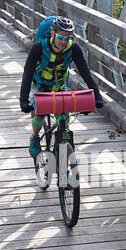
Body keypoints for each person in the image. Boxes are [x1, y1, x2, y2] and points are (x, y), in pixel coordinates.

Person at [18, 15, 103, 157]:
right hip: (41, 86)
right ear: (52, 33)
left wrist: (97, 97)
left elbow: (85, 73)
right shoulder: (38, 48)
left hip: (59, 86)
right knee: (39, 116)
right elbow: (27, 74)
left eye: (67, 38)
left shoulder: (73, 49)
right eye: (61, 37)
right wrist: (23, 100)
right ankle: (34, 137)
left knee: (64, 119)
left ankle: (64, 152)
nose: (64, 41)